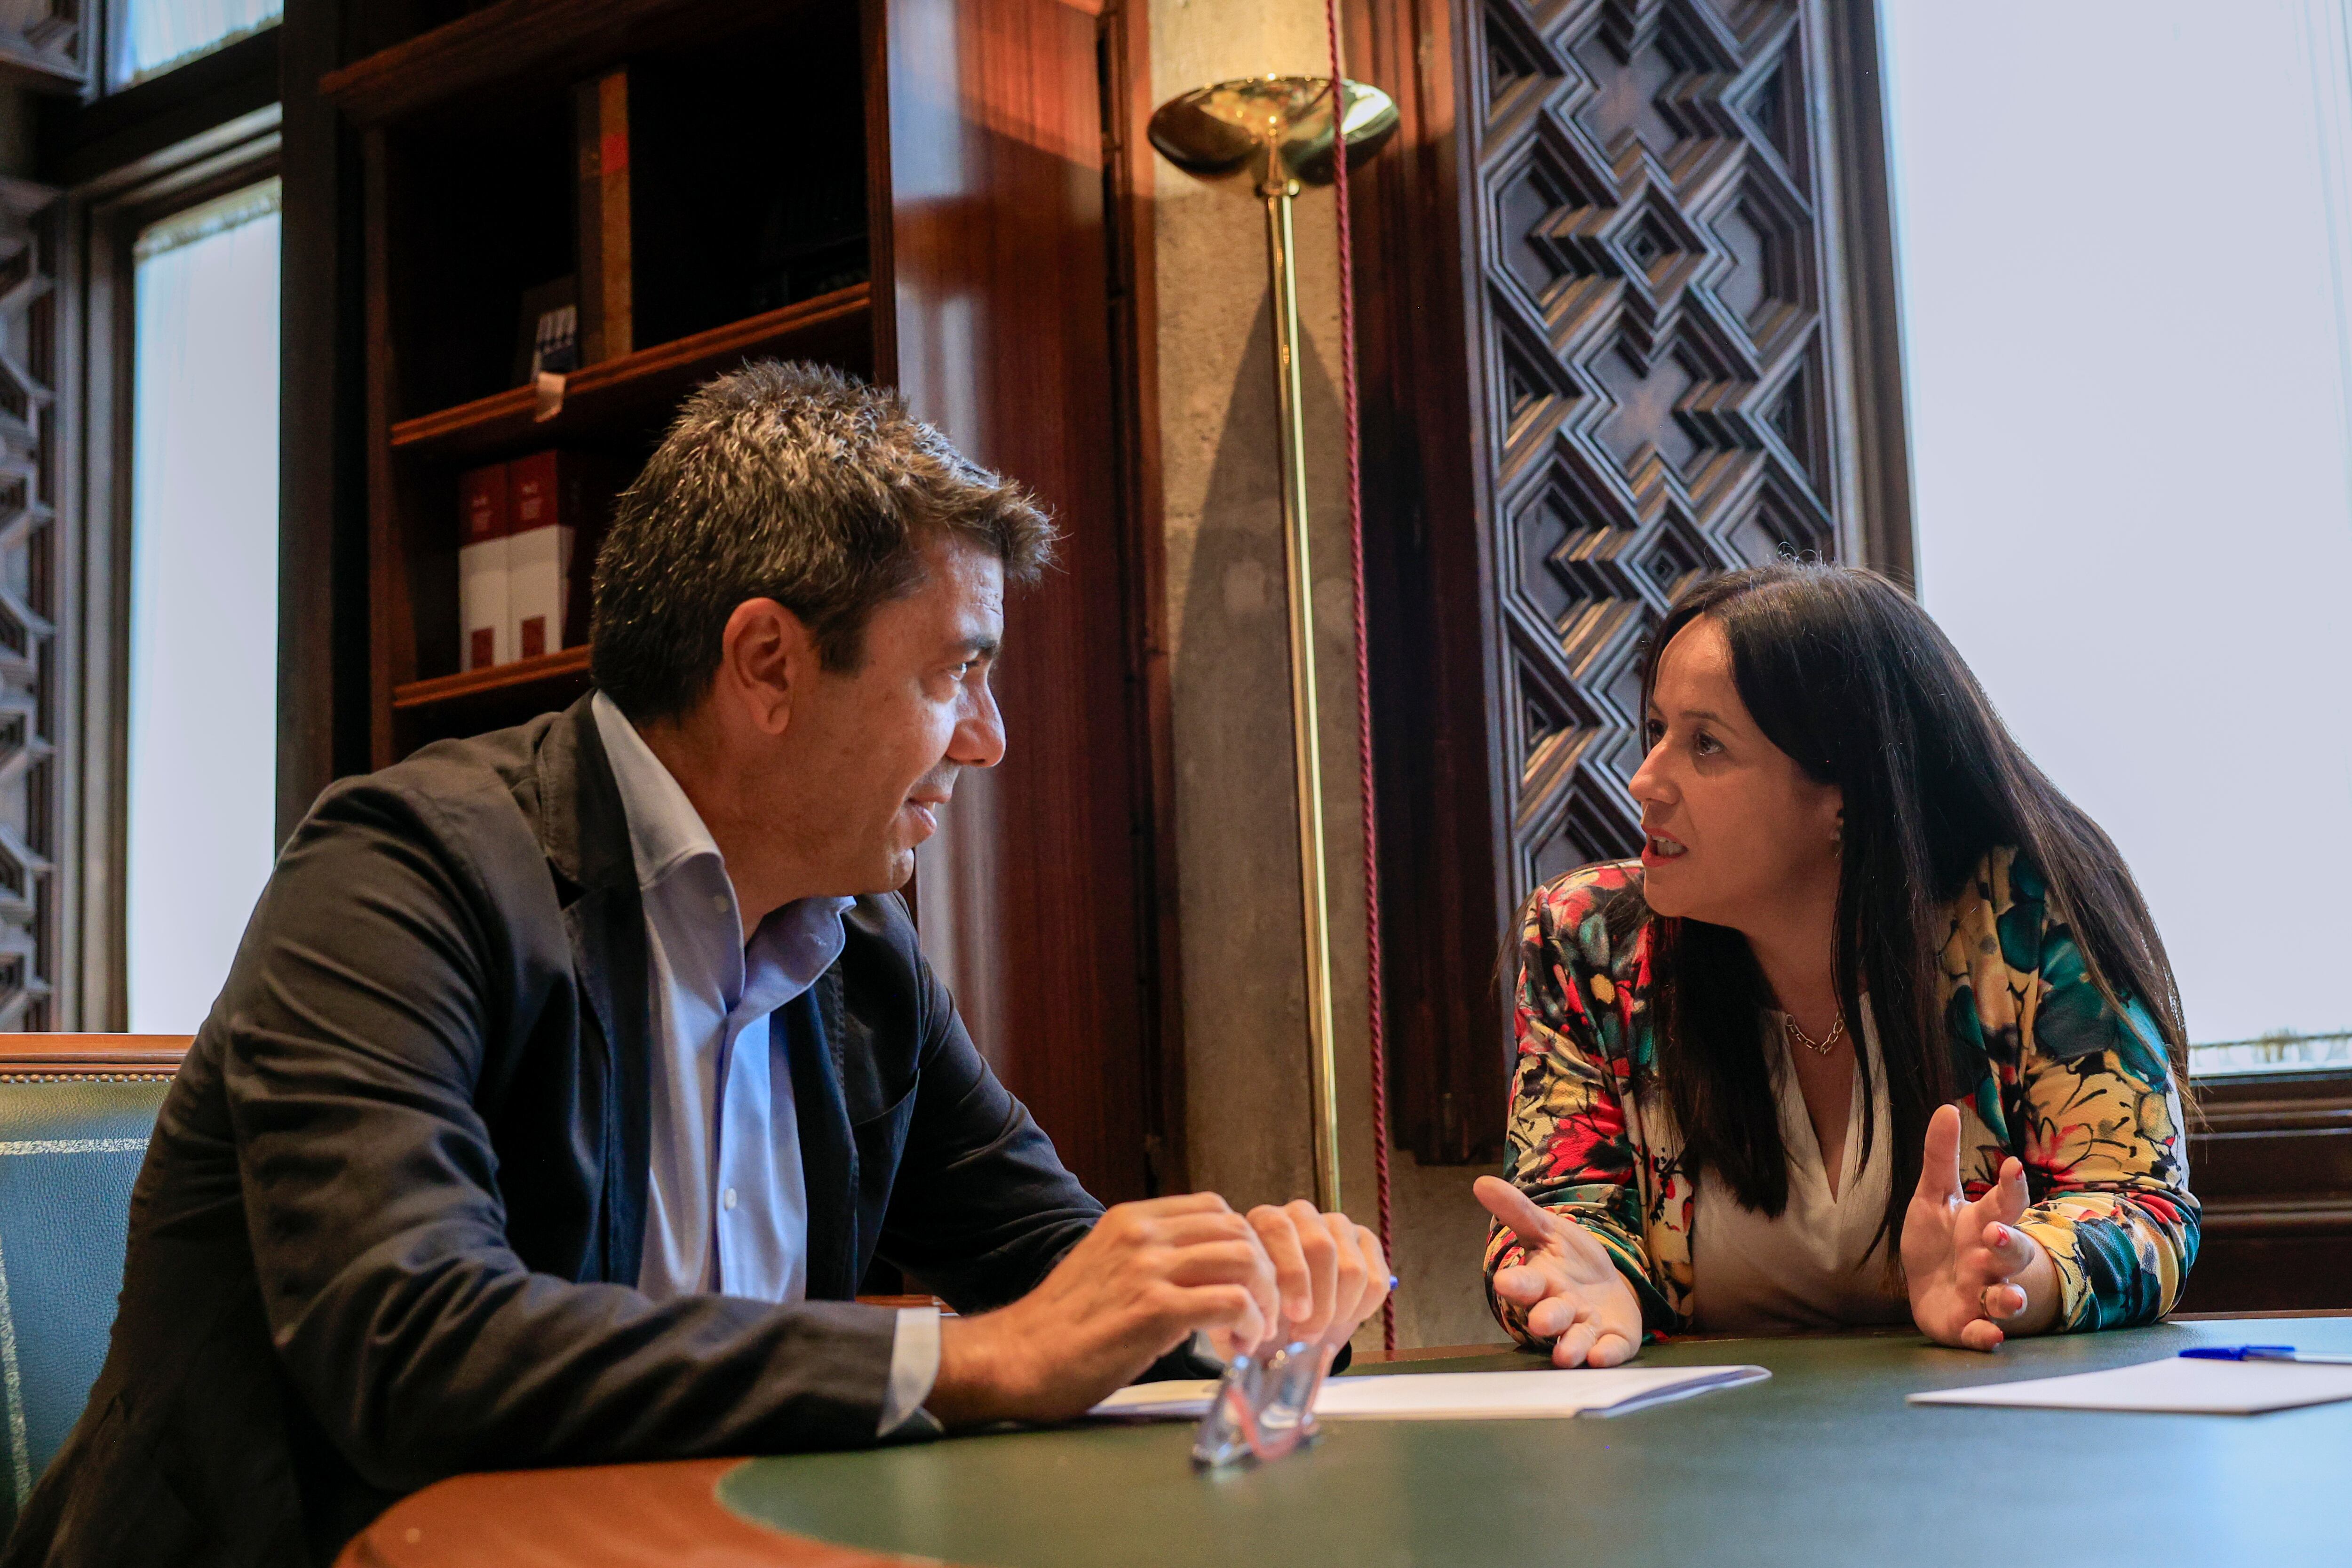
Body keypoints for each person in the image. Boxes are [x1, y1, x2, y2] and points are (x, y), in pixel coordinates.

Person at [7, 362, 1387, 1568]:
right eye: (954, 674)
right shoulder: (401, 872)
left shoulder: (862, 954)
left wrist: (1232, 1291)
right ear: (769, 664)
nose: (989, 739)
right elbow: (406, 1339)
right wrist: (960, 1359)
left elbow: (1050, 1270)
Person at [1474, 562, 2195, 1366]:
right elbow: (1559, 1218)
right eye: (1656, 733)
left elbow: (2140, 1203)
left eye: (1706, 745)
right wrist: (1585, 1281)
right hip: (1703, 1465)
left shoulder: (2027, 916)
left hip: (1992, 1454)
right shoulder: (1590, 941)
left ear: (1843, 794)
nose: (1645, 780)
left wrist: (2023, 1270)